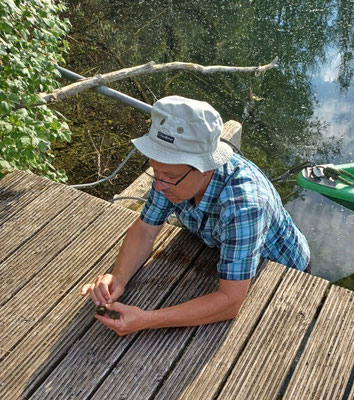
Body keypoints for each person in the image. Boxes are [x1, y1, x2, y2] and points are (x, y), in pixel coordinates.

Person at [81, 95, 310, 336]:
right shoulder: (169, 176)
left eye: (168, 176)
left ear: (206, 167)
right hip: (221, 248)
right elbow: (146, 230)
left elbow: (230, 301)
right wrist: (118, 278)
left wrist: (147, 319)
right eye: (155, 171)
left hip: (282, 272)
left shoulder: (245, 206)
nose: (159, 185)